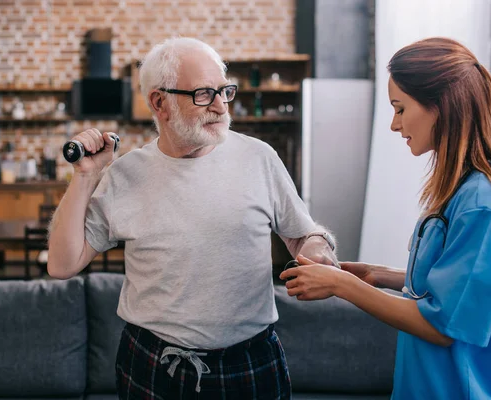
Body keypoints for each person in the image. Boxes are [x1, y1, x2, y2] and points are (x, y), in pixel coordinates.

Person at [47, 37, 338, 399]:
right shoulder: (124, 175)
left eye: (224, 91)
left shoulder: (259, 157)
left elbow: (302, 235)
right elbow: (62, 264)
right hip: (153, 362)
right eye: (203, 94)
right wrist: (86, 176)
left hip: (250, 359)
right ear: (159, 102)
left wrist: (318, 249)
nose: (220, 106)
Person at [280, 37, 491, 400]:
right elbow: (457, 287)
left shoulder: (482, 203)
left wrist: (342, 286)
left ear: (440, 107)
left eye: (400, 108)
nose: (395, 125)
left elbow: (443, 325)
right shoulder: (459, 190)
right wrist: (382, 276)